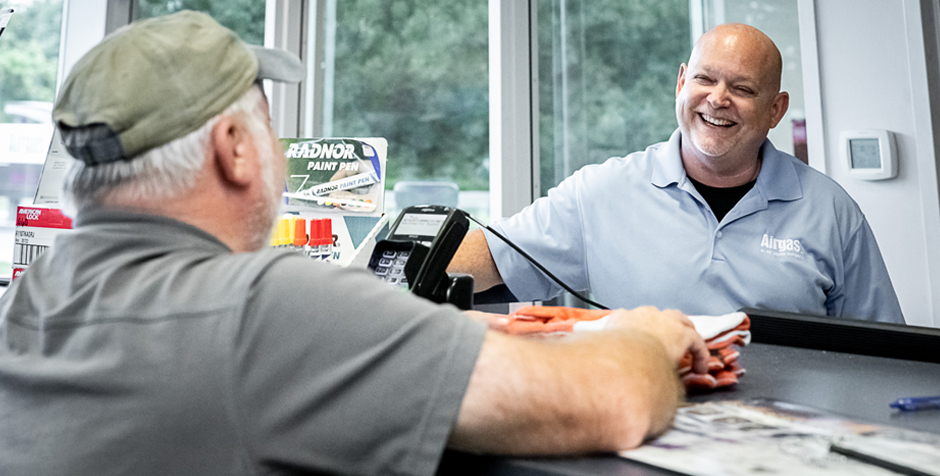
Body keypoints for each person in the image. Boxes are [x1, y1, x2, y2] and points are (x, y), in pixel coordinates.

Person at [0, 11, 710, 476]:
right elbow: (610, 399)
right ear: (235, 151)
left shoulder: (32, 299)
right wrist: (646, 332)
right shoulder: (266, 308)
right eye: (268, 127)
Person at [449, 23, 905, 324]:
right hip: (638, 433)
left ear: (776, 110)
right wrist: (383, 278)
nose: (718, 99)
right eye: (705, 79)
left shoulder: (831, 211)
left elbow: (885, 353)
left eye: (743, 88)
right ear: (681, 82)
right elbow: (492, 254)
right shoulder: (604, 191)